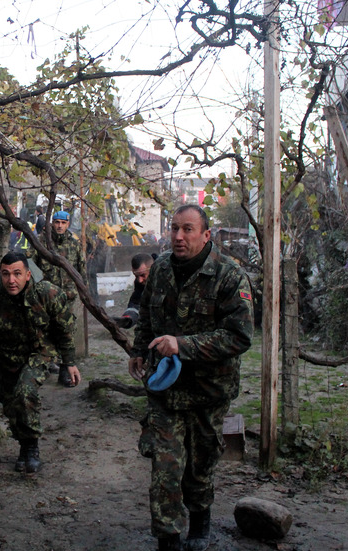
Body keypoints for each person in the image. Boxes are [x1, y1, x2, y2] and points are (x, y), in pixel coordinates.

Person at [127, 205, 254, 551]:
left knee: (199, 464)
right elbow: (149, 316)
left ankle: (200, 519)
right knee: (165, 465)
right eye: (174, 229)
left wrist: (182, 345)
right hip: (166, 388)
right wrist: (139, 351)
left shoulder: (229, 276)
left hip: (208, 390)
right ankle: (167, 537)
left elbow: (239, 337)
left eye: (188, 230)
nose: (179, 237)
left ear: (206, 235)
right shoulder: (161, 268)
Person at [0, 251, 81, 474]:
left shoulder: (48, 294)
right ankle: (23, 446)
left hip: (40, 353)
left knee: (25, 391)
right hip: (8, 357)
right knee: (11, 405)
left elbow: (65, 329)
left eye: (17, 274)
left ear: (28, 275)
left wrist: (69, 362)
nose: (11, 280)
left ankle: (31, 447)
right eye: (6, 274)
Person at [24, 210, 85, 387]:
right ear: (52, 224)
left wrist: (83, 292)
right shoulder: (42, 243)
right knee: (45, 330)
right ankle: (48, 363)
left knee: (67, 331)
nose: (59, 226)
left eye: (63, 223)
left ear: (67, 224)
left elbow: (81, 269)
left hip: (68, 297)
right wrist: (38, 284)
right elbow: (29, 262)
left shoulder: (74, 245)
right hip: (47, 297)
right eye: (56, 222)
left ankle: (66, 370)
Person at [114, 253, 155, 329]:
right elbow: (136, 303)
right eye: (136, 276)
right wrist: (128, 318)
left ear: (153, 269)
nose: (139, 280)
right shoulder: (140, 283)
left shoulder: (167, 276)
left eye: (143, 275)